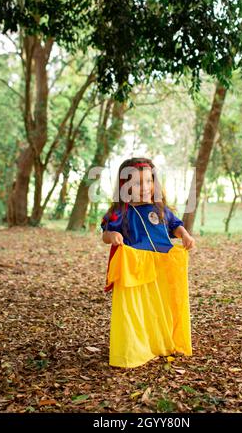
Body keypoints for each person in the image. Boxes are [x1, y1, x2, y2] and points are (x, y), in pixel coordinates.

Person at [100, 157, 196, 368]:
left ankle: (159, 342)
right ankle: (135, 347)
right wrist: (113, 236)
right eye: (135, 183)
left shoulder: (160, 209)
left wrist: (185, 235)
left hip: (162, 266)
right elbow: (106, 233)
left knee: (160, 307)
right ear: (124, 186)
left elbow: (175, 226)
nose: (143, 187)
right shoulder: (120, 212)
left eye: (148, 181)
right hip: (135, 267)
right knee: (136, 309)